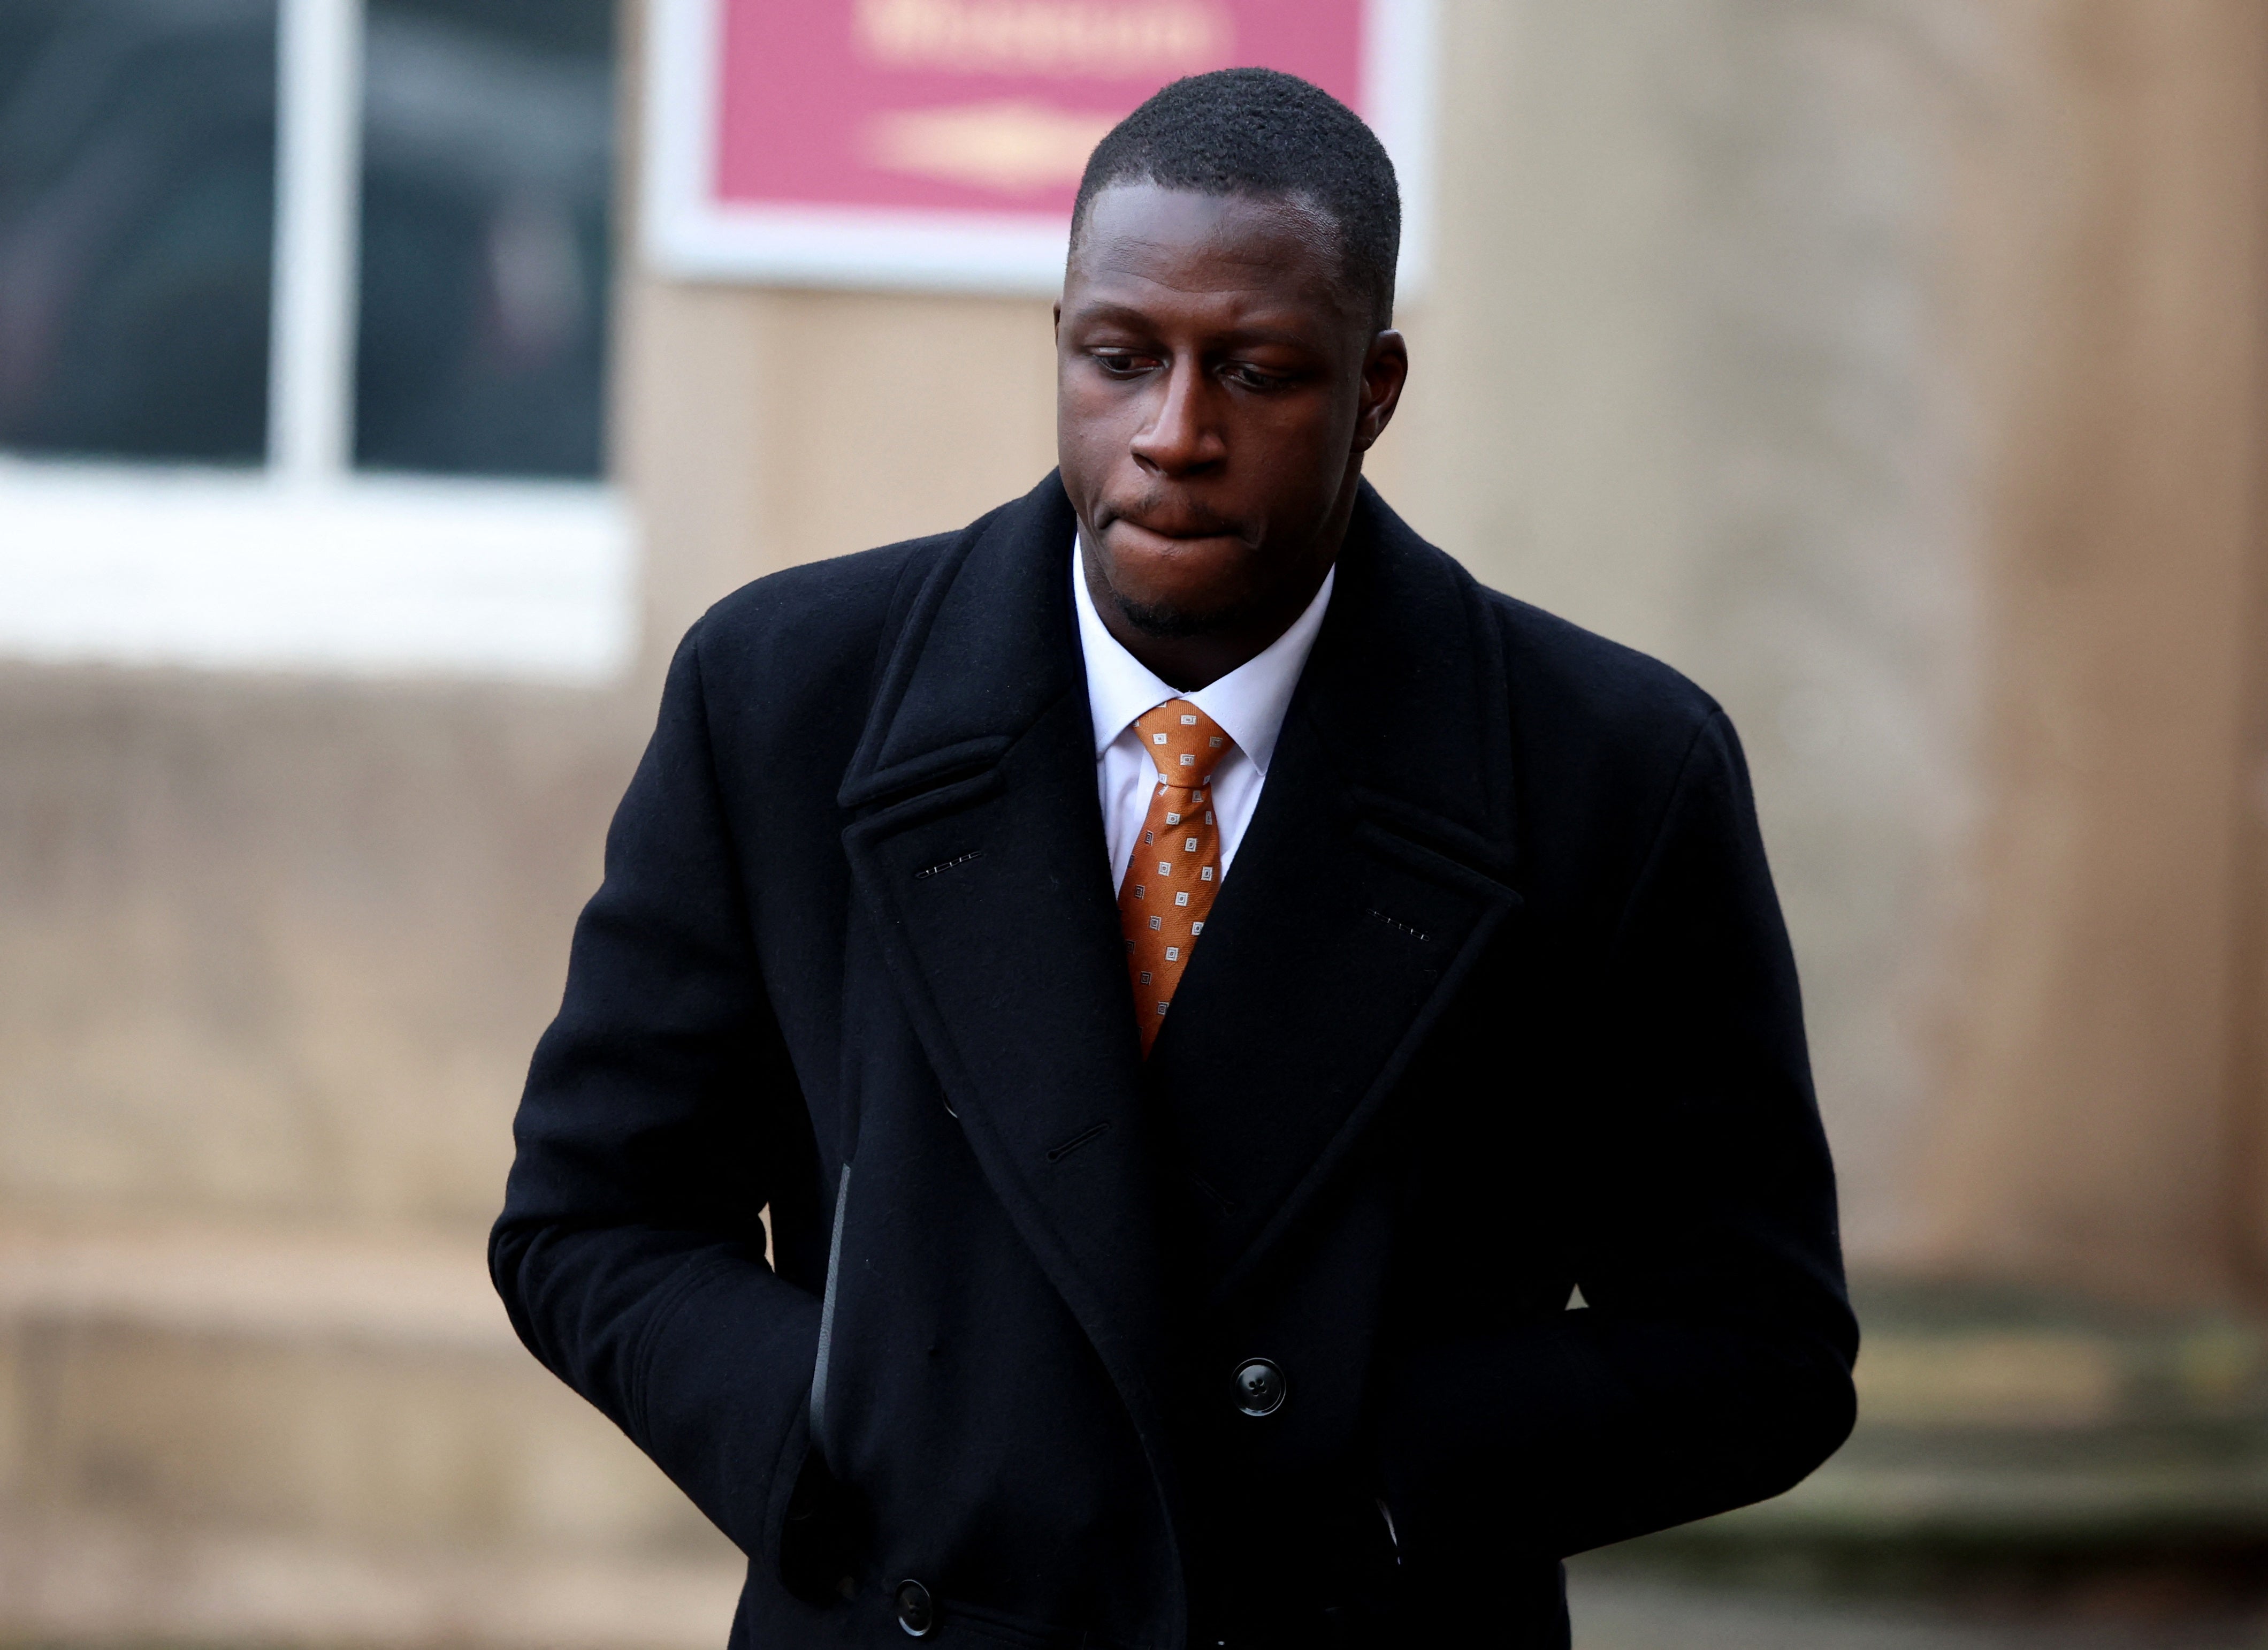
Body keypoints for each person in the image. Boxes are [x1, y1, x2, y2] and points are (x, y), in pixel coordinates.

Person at [493, 67, 1855, 1650]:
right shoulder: (785, 697)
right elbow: (588, 1220)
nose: (1173, 436)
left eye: (1258, 372)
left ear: (1373, 390)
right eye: (1119, 359)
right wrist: (840, 1433)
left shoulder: (1609, 771)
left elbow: (1753, 1346)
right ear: (1060, 346)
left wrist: (1374, 1480)